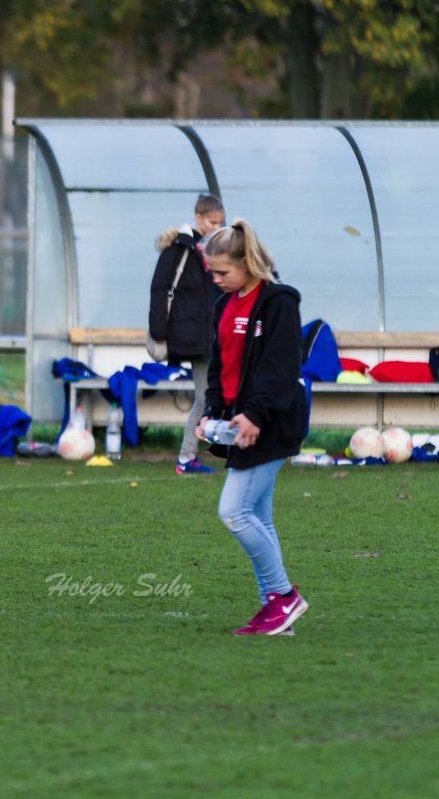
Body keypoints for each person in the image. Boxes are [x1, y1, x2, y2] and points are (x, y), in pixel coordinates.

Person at [198, 219, 308, 636]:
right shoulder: (223, 304)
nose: (217, 279)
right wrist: (211, 412)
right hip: (238, 424)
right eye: (213, 272)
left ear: (247, 262)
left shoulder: (279, 301)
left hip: (271, 424)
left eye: (223, 271)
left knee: (234, 511)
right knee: (258, 514)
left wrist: (255, 415)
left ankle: (283, 596)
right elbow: (219, 367)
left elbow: (280, 369)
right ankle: (276, 612)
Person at [150, 193, 226, 475]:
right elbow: (161, 290)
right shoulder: (180, 249)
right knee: (205, 396)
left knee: (210, 394)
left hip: (211, 335)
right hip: (195, 337)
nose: (217, 227)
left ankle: (205, 450)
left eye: (220, 222)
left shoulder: (213, 250)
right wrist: (159, 332)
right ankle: (186, 457)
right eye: (212, 221)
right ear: (198, 218)